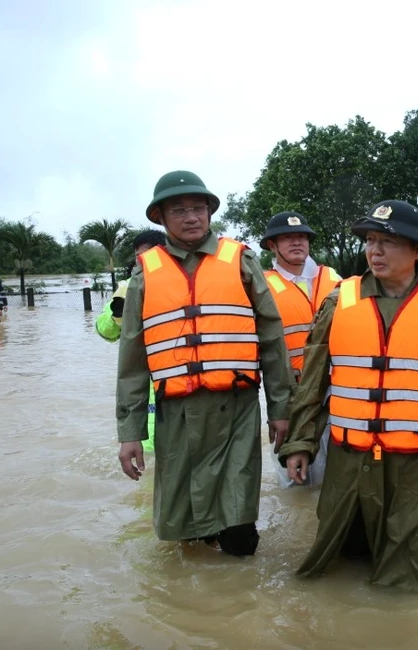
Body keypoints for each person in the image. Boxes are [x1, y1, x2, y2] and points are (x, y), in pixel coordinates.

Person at [279, 200, 418, 591]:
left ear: (415, 251)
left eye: (387, 242)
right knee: (339, 564)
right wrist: (300, 443)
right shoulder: (339, 300)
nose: (374, 251)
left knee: (416, 576)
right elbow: (312, 384)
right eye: (370, 241)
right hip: (349, 461)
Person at [115, 170, 294, 555]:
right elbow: (132, 360)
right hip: (175, 416)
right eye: (179, 210)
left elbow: (272, 339)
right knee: (185, 529)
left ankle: (237, 599)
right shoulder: (144, 275)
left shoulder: (241, 261)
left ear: (210, 213)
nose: (191, 217)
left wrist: (280, 408)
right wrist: (130, 433)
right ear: (160, 218)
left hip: (238, 410)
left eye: (198, 208)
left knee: (238, 522)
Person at [260, 211, 342, 487]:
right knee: (296, 482)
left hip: (336, 391)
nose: (297, 242)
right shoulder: (262, 286)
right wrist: (277, 409)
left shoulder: (333, 277)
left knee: (337, 478)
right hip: (291, 394)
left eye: (302, 237)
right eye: (287, 237)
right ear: (272, 244)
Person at [96, 229, 166, 453]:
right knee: (148, 454)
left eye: (150, 255)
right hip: (141, 380)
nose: (144, 262)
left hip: (175, 377)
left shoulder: (179, 284)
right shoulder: (127, 287)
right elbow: (105, 331)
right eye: (139, 256)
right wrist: (118, 315)